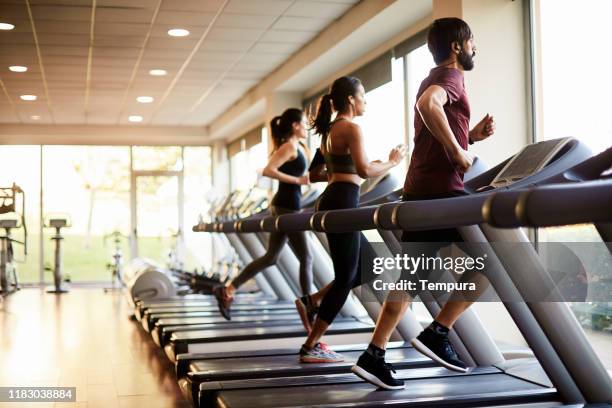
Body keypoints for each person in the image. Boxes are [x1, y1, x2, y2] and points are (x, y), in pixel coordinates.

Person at [351, 17, 496, 389]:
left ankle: (374, 354)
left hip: (421, 191)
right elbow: (427, 106)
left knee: (411, 276)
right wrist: (461, 154)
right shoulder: (447, 79)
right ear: (456, 47)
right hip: (441, 194)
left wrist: (471, 138)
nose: (474, 47)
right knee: (491, 264)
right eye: (471, 41)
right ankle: (438, 331)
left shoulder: (433, 76)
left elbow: (433, 122)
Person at [298, 76, 407, 363]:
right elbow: (365, 168)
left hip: (335, 198)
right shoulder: (351, 128)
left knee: (366, 268)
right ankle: (311, 345)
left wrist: (338, 174)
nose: (365, 102)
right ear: (351, 100)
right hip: (344, 200)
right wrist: (393, 162)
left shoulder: (329, 131)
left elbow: (315, 174)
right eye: (363, 97)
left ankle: (312, 301)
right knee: (346, 277)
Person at [214, 108, 313, 320]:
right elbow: (268, 170)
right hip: (286, 207)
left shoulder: (299, 146)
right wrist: (297, 181)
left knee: (271, 257)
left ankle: (228, 290)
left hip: (289, 206)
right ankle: (308, 304)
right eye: (303, 123)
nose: (306, 127)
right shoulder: (288, 147)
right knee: (307, 257)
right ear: (295, 126)